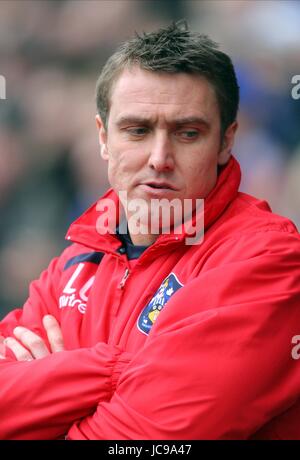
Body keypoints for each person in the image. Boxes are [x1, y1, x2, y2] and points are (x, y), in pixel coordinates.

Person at [0, 21, 299, 440]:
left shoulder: (267, 258)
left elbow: (145, 442)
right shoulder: (76, 260)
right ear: (104, 138)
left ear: (226, 142)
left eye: (187, 133)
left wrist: (53, 381)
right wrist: (116, 369)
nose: (160, 157)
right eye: (137, 130)